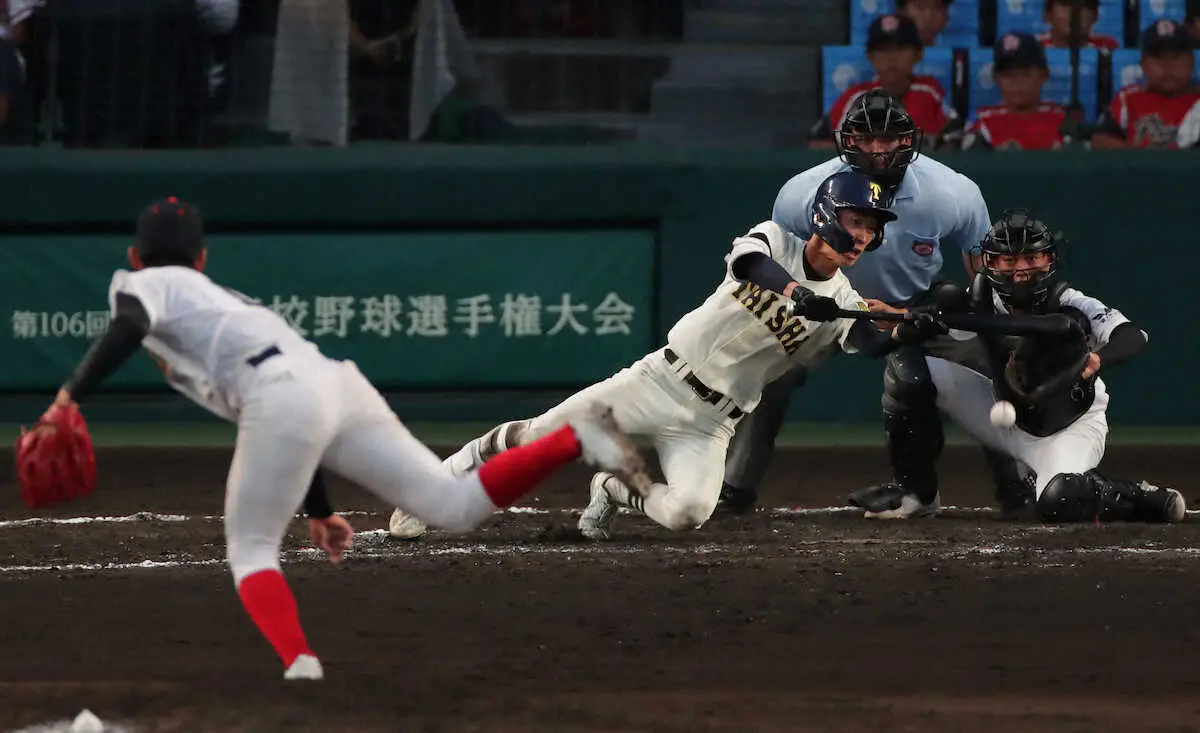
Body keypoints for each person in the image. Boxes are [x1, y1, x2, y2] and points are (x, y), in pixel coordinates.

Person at [29, 197, 651, 679]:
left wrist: (65, 399)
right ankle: (575, 439)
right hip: (332, 386)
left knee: (249, 551)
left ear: (138, 258)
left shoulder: (144, 284)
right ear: (203, 259)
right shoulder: (227, 299)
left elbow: (130, 324)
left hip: (282, 397)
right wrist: (321, 511)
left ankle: (301, 666)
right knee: (450, 505)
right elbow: (297, 421)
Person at [387, 171, 950, 541]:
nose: (863, 236)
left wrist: (906, 331)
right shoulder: (775, 240)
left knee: (687, 513)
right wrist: (798, 294)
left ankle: (615, 488)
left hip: (711, 423)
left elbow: (868, 342)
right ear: (828, 216)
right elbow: (751, 267)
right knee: (542, 439)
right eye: (856, 221)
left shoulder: (847, 301)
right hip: (657, 381)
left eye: (871, 228)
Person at [718, 90, 1032, 519]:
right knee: (766, 373)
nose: (878, 150)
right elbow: (784, 266)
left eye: (888, 139)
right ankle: (734, 488)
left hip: (913, 305)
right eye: (866, 139)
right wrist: (793, 312)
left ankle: (1016, 486)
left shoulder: (952, 193)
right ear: (846, 140)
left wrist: (994, 333)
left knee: (987, 367)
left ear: (910, 141)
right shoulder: (801, 194)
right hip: (826, 303)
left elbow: (981, 273)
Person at [849, 209, 1184, 523]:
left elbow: (1133, 336)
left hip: (1066, 426)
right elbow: (929, 330)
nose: (1019, 268)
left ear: (1049, 260)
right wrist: (899, 319)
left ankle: (1131, 495)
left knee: (1060, 499)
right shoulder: (979, 299)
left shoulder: (1070, 303)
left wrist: (1098, 358)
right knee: (908, 369)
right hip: (1000, 406)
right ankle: (916, 494)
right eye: (1008, 260)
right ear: (989, 262)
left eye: (1030, 257)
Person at [810, 14, 959, 150]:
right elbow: (816, 145)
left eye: (900, 49)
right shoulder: (854, 98)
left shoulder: (930, 92)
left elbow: (956, 143)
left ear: (918, 54)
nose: (891, 58)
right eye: (882, 50)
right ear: (870, 56)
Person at [1091, 20, 1200, 149]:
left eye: (1175, 57)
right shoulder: (1127, 99)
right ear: (1143, 64)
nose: (1168, 66)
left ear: (1192, 62)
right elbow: (1099, 139)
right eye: (1159, 58)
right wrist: (1136, 157)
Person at [963, 32, 1066, 151]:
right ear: (996, 78)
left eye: (1024, 74)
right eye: (1008, 75)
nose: (1016, 83)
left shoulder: (1062, 118)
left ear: (1044, 75)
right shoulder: (981, 122)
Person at [1036, 0, 1119, 50]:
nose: (1075, 13)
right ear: (1048, 14)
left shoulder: (1106, 46)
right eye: (1065, 5)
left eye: (1084, 6)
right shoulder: (1034, 47)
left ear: (1095, 16)